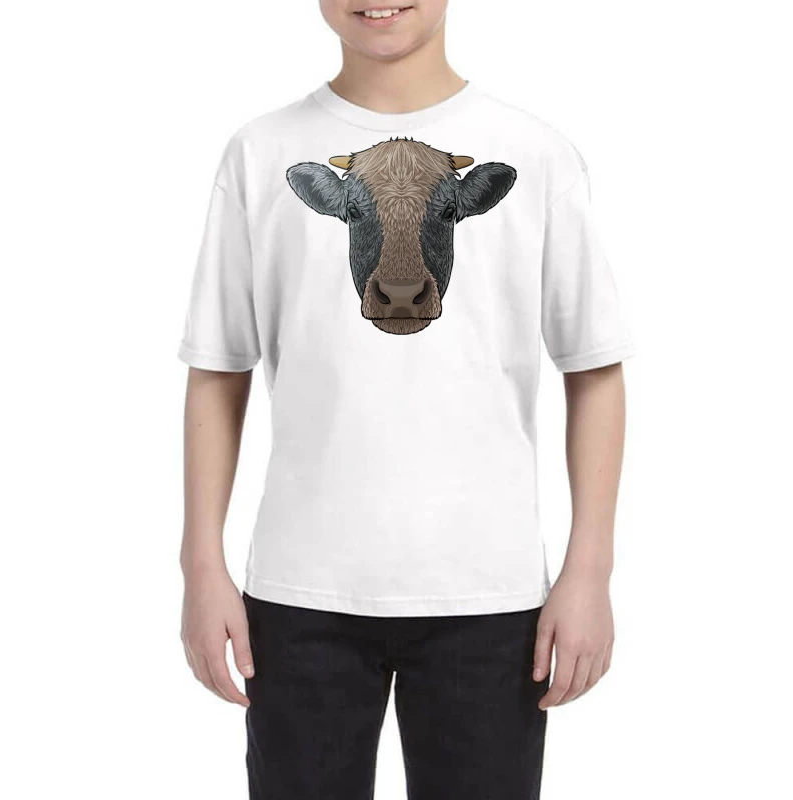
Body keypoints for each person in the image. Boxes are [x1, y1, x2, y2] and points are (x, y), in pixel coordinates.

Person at [178, 1, 633, 797]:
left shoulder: (538, 154)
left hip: (489, 595)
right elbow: (219, 366)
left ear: (476, 198)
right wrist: (200, 565)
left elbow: (594, 367)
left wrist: (589, 570)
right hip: (298, 593)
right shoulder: (258, 152)